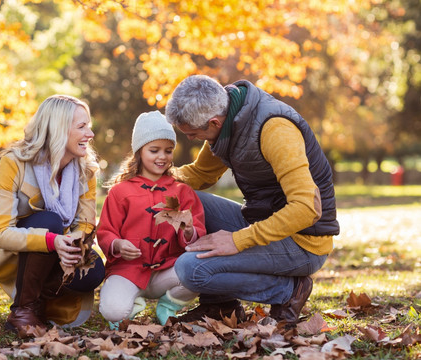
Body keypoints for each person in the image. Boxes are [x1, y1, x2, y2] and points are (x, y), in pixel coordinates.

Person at [164, 75, 340, 328]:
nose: (191, 139)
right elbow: (201, 174)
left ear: (213, 122)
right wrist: (148, 179)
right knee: (185, 201)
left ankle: (289, 290)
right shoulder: (226, 125)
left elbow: (306, 208)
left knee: (191, 269)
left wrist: (238, 240)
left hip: (303, 241)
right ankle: (219, 306)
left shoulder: (275, 129)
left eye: (193, 134)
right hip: (263, 221)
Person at [0, 95, 105, 337]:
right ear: (58, 129)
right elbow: (0, 233)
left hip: (51, 244)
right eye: (81, 127)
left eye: (88, 126)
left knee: (93, 269)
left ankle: (39, 300)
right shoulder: (15, 162)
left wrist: (72, 243)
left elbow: (85, 222)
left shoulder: (86, 170)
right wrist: (53, 241)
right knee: (49, 221)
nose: (90, 134)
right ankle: (23, 310)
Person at [97, 111, 206, 327]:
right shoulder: (121, 192)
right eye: (154, 150)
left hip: (168, 269)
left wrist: (189, 232)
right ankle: (132, 302)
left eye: (168, 151)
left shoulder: (182, 191)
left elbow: (198, 232)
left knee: (198, 270)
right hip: (128, 270)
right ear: (139, 151)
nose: (162, 157)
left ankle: (169, 305)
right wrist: (117, 244)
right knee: (113, 312)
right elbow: (105, 232)